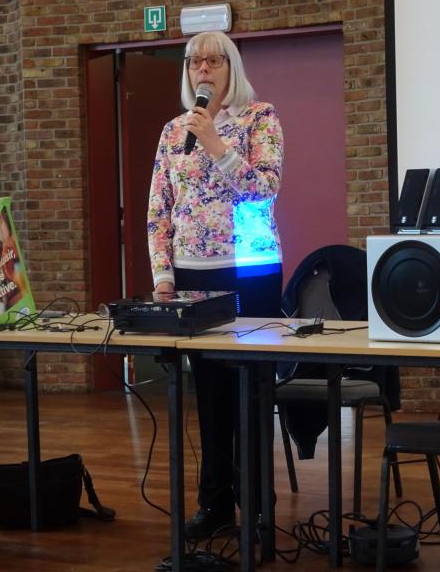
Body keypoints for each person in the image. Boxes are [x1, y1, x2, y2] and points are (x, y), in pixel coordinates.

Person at [147, 31, 284, 540]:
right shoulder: (171, 132)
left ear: (232, 68)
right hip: (191, 279)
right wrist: (163, 275)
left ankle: (258, 508)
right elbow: (158, 212)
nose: (202, 69)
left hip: (251, 273)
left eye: (213, 60)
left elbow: (265, 187)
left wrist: (217, 146)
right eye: (193, 62)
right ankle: (215, 505)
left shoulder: (260, 118)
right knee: (208, 397)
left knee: (249, 393)